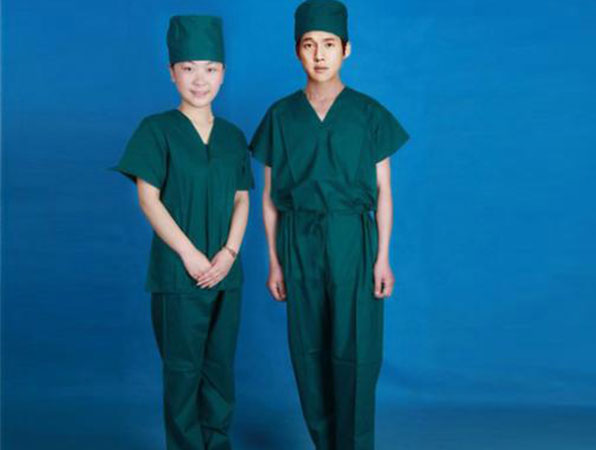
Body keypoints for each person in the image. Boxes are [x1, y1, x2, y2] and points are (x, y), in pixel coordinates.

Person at [249, 1, 410, 449]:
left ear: (346, 49)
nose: (319, 54)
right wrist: (275, 262)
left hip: (352, 240)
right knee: (309, 351)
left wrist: (382, 258)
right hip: (298, 240)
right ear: (296, 51)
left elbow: (384, 192)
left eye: (329, 44)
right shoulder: (280, 116)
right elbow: (269, 198)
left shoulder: (369, 113)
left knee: (356, 349)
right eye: (309, 45)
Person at [112, 15, 253, 450]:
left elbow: (242, 199)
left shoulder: (232, 136)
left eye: (210, 68)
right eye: (188, 68)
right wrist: (191, 255)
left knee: (219, 369)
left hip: (226, 273)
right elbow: (148, 199)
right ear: (171, 72)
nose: (199, 79)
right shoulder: (156, 130)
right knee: (183, 371)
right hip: (178, 274)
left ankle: (218, 445)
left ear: (223, 73)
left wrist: (229, 253)